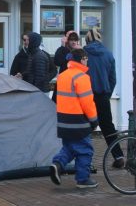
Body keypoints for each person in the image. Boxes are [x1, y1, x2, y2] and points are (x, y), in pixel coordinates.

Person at [50, 48, 99, 189]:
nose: (87, 61)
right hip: (79, 121)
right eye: (86, 58)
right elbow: (87, 102)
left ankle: (57, 165)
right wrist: (94, 120)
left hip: (63, 120)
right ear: (82, 59)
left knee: (70, 148)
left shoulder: (63, 76)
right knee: (85, 150)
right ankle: (83, 180)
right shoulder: (82, 77)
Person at [84, 27, 124, 168]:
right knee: (108, 127)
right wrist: (107, 94)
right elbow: (113, 78)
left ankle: (85, 161)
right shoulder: (108, 54)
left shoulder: (84, 54)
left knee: (85, 128)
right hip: (103, 96)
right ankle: (118, 156)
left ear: (87, 39)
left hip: (86, 96)